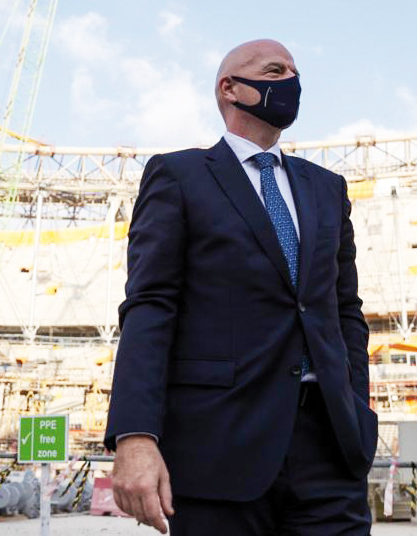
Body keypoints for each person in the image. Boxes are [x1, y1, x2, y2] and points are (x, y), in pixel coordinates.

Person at [104, 39, 377, 535]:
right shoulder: (179, 176)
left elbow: (345, 311)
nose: (291, 81)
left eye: (296, 72)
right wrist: (135, 434)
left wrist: (355, 404)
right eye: (275, 70)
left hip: (330, 450)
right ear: (230, 88)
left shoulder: (327, 188)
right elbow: (150, 305)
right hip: (218, 448)